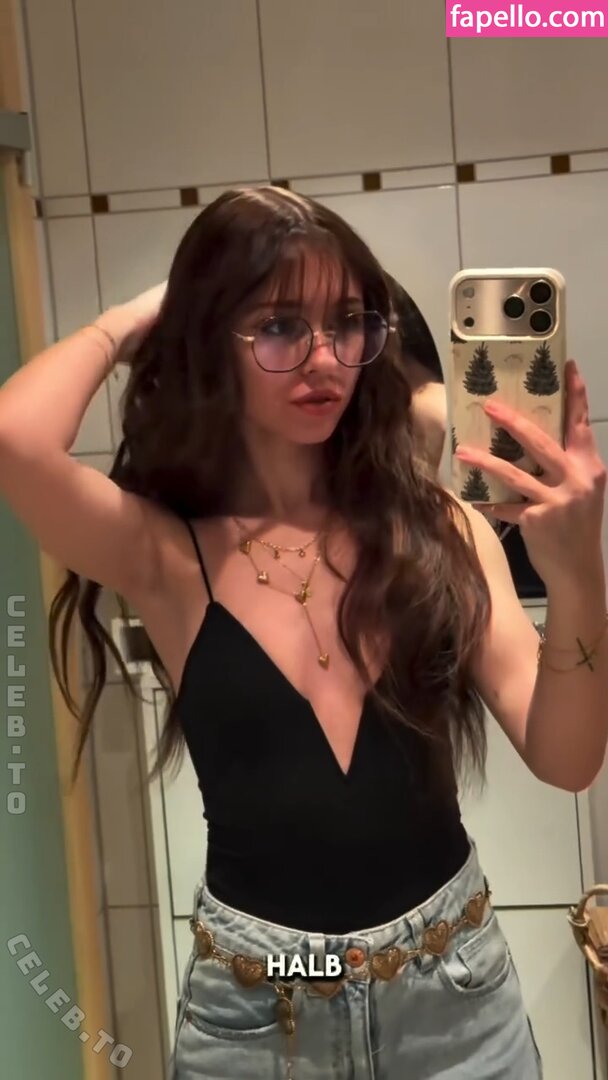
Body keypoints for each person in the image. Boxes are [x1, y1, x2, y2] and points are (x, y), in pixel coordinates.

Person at [0, 186, 549, 1079]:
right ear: (212, 340)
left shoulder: (436, 529)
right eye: (280, 327)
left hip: (452, 1001)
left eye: (346, 323)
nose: (324, 358)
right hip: (263, 1013)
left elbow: (567, 756)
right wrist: (140, 317)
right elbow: (16, 438)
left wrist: (578, 571)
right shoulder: (170, 554)